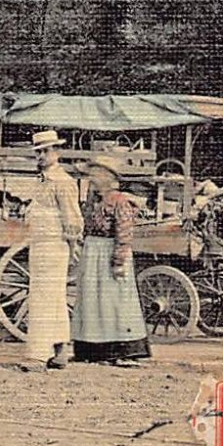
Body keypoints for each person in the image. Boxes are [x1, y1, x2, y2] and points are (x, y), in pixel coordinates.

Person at [71, 153, 150, 365]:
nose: (92, 177)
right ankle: (91, 349)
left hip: (108, 254)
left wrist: (118, 261)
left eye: (95, 173)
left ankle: (120, 351)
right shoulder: (93, 200)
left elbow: (124, 234)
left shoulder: (121, 201)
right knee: (92, 301)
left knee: (113, 301)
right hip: (93, 254)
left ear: (107, 176)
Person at [22, 129, 85, 371]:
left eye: (46, 151)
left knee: (43, 299)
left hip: (54, 247)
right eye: (38, 152)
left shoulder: (64, 183)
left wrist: (73, 246)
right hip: (39, 246)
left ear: (56, 152)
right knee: (53, 297)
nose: (41, 156)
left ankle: (38, 355)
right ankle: (60, 351)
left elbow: (72, 219)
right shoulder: (42, 181)